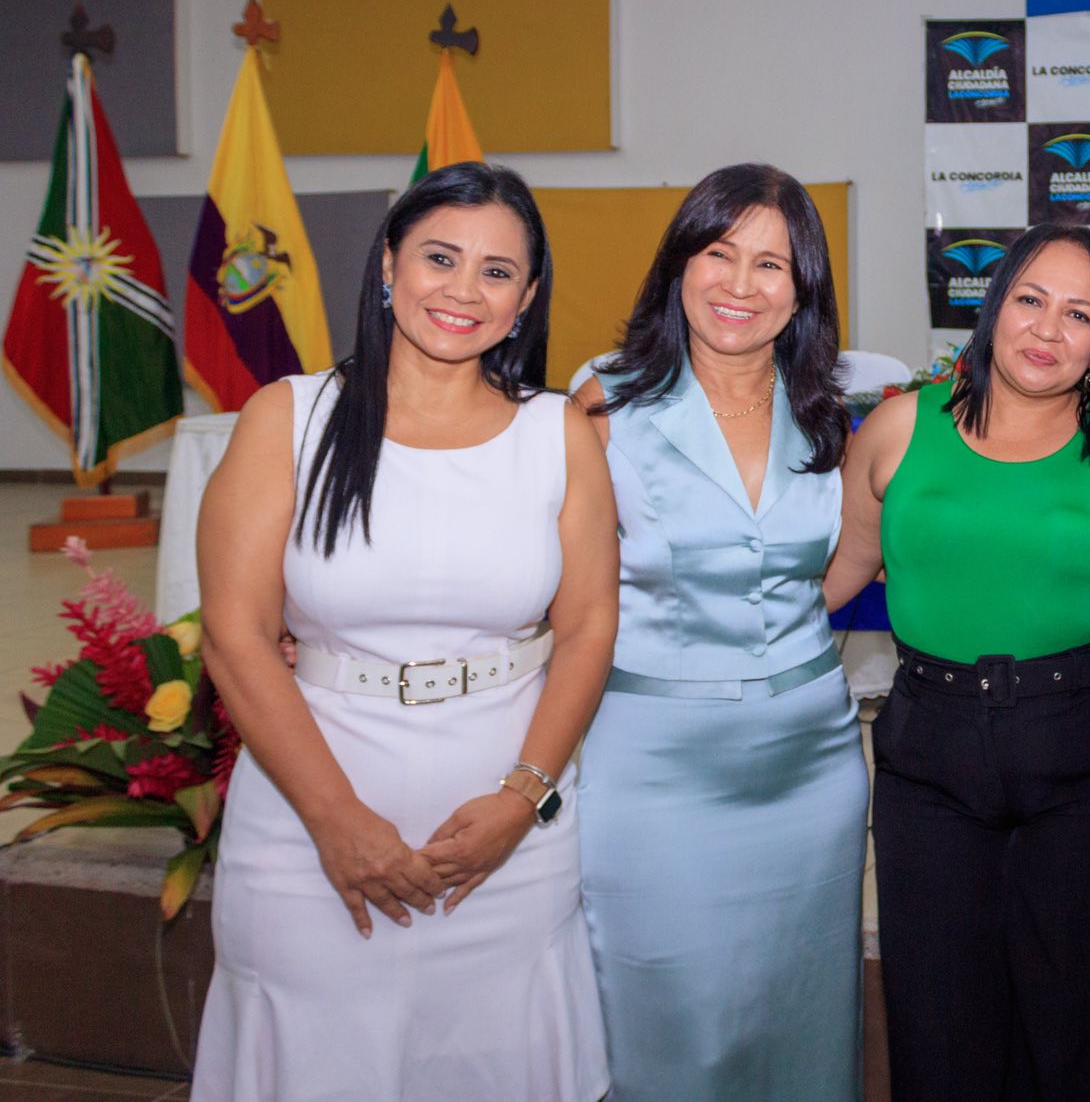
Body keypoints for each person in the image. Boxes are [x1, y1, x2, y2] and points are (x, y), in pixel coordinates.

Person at [191, 162, 616, 1101]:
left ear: (527, 298)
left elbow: (589, 628)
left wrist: (523, 800)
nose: (464, 291)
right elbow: (235, 636)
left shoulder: (557, 433)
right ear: (388, 265)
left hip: (505, 845)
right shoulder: (289, 417)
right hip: (306, 841)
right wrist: (336, 821)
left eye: (497, 272)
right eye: (439, 258)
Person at [826, 223, 1090, 1100]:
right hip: (929, 759)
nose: (1048, 329)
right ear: (993, 308)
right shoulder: (900, 427)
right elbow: (829, 582)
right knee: (939, 1028)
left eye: (1079, 314)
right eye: (1030, 300)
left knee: (1087, 1032)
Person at [573, 162, 864, 1100]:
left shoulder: (827, 411)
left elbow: (831, 573)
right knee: (670, 1023)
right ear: (679, 265)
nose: (741, 284)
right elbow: (556, 586)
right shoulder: (604, 402)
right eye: (719, 254)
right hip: (653, 759)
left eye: (771, 265)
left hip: (810, 761)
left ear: (802, 290)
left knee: (800, 1016)